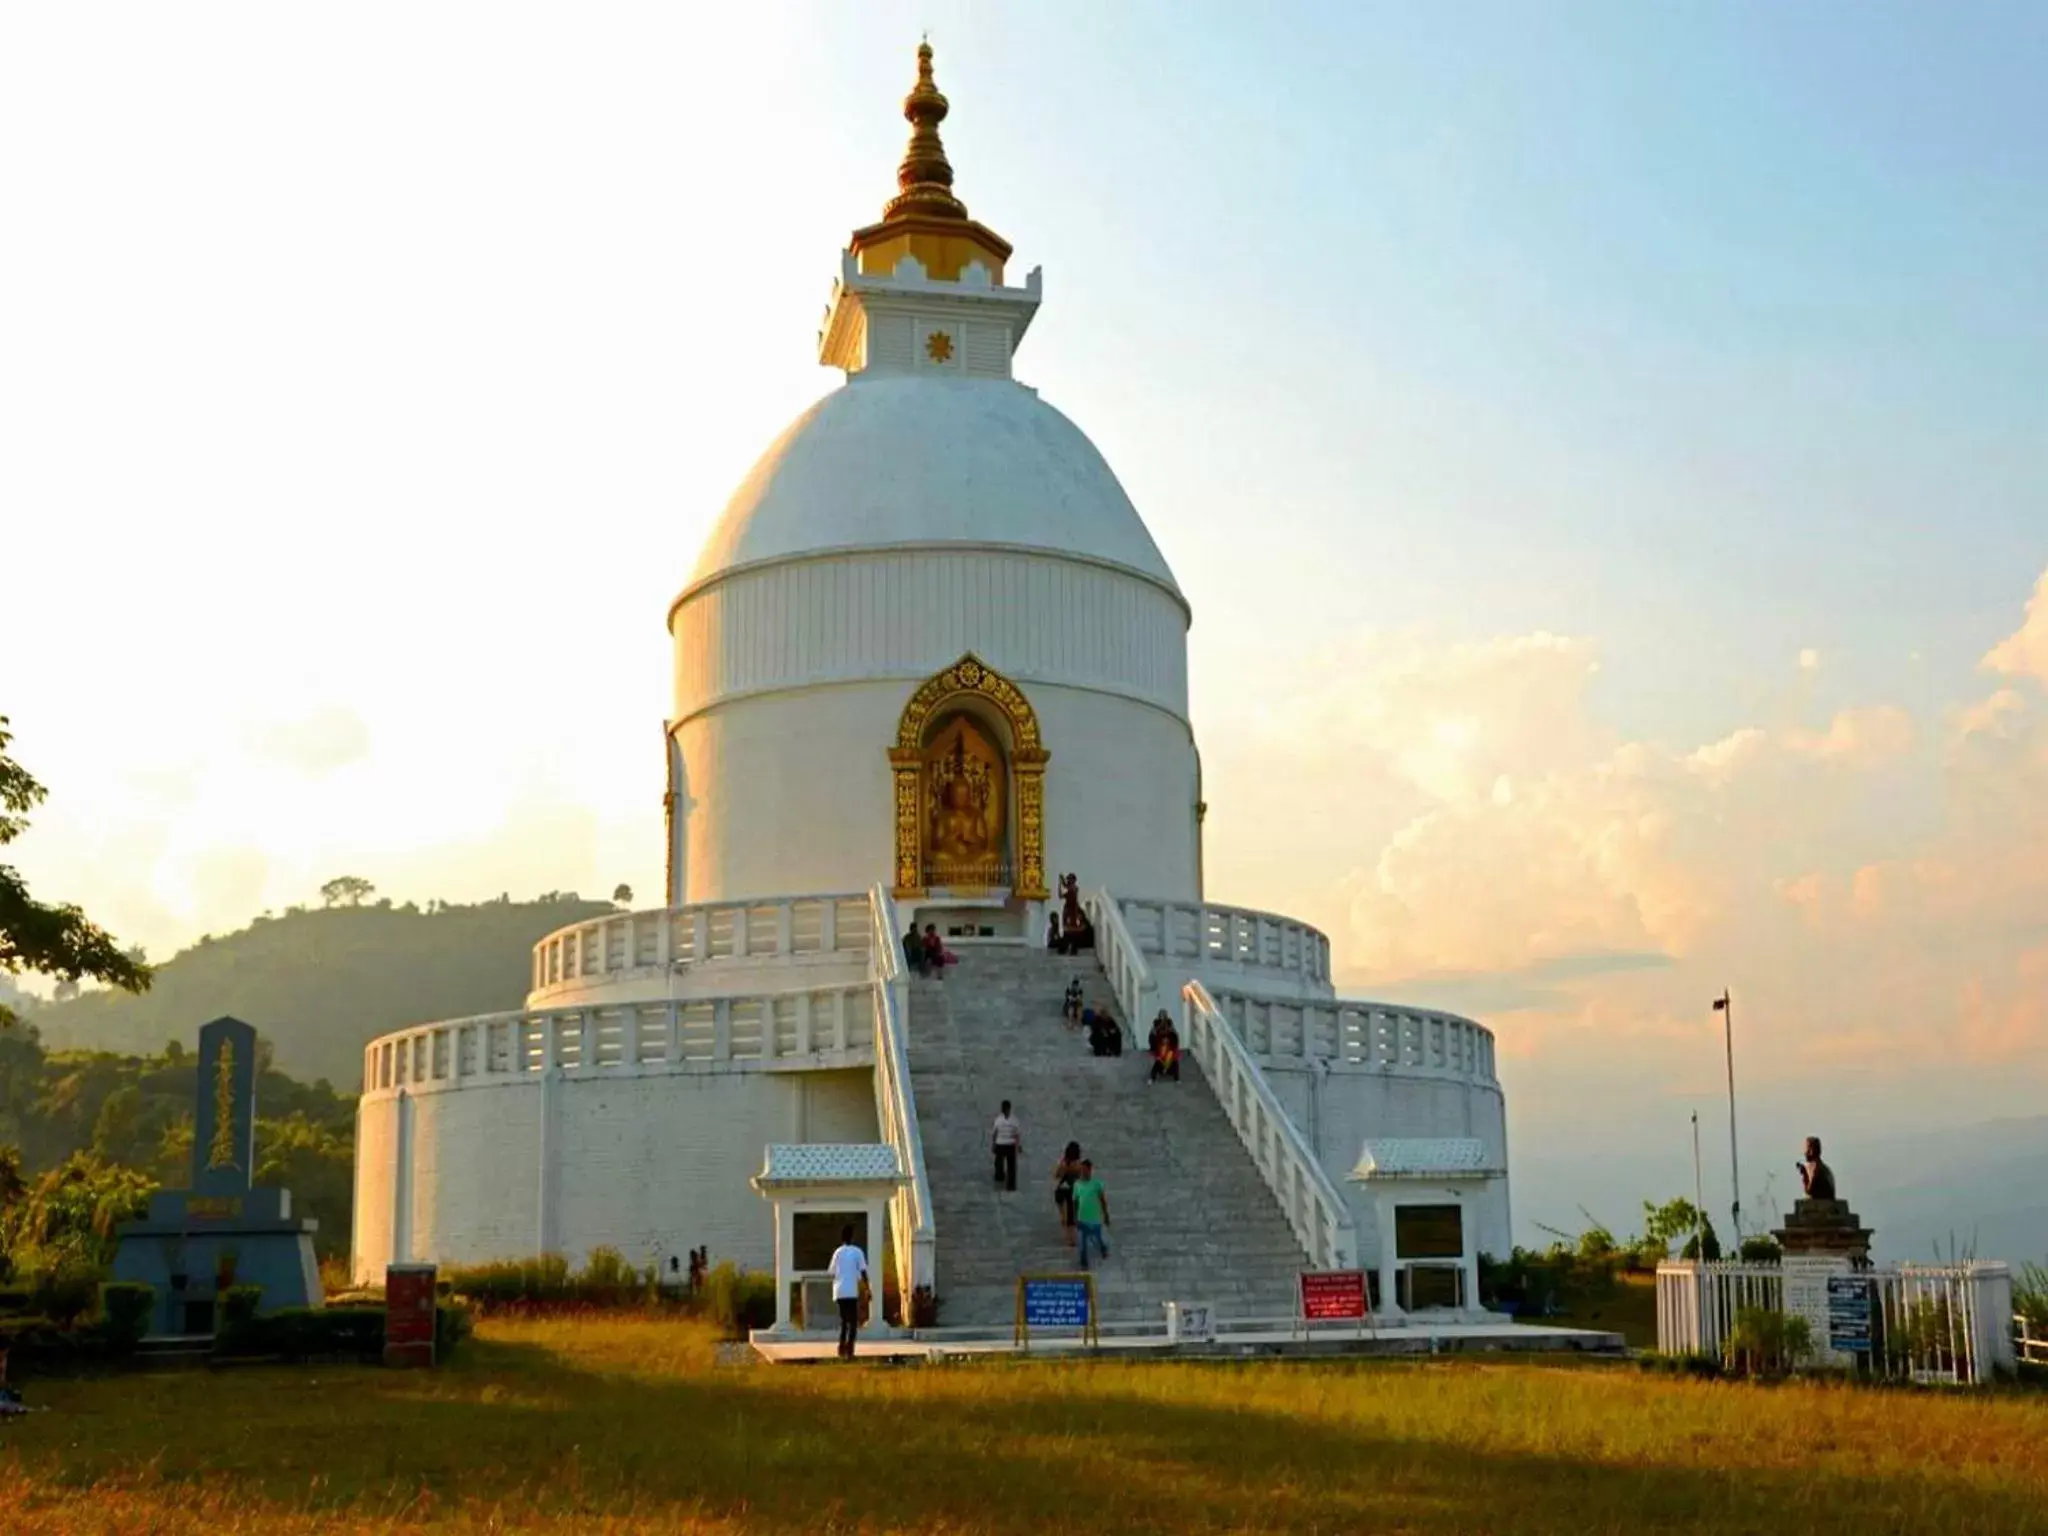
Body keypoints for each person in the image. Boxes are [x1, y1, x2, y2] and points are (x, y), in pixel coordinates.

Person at [828, 1224, 868, 1360]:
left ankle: (841, 1348)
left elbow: (832, 1272)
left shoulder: (837, 1252)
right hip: (851, 1291)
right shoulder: (857, 1252)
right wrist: (868, 1288)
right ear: (852, 1236)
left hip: (839, 1291)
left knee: (844, 1322)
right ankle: (849, 1351)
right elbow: (863, 1271)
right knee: (853, 1322)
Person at [1071, 1159, 1111, 1270]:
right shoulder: (1077, 1185)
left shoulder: (1097, 1184)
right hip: (1082, 1219)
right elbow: (1075, 1202)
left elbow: (1102, 1200)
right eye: (1082, 1170)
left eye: (1085, 1170)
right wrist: (1075, 1217)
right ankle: (1084, 1263)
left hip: (1094, 1218)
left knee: (1098, 1238)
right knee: (1082, 1244)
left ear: (1090, 1170)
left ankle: (1103, 1249)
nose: (1083, 1172)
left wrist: (1106, 1215)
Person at [1051, 1141, 1084, 1248]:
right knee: (1072, 1217)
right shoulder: (1080, 1164)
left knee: (1065, 1216)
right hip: (1074, 1192)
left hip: (1061, 1190)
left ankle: (1068, 1236)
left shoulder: (1063, 1162)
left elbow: (1056, 1175)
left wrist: (1064, 1168)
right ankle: (1072, 1238)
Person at [991, 1099, 1021, 1192]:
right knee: (1001, 1164)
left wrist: (1018, 1145)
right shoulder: (1001, 1120)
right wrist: (994, 1143)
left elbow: (1016, 1134)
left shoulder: (1012, 1120)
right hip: (1002, 1144)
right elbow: (995, 1133)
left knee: (1009, 1165)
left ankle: (1008, 1184)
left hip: (1007, 1144)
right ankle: (1003, 1181)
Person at [1798, 1136, 1837, 1201]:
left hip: (1822, 1205)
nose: (1804, 1152)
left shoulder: (1816, 1168)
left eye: (1806, 1148)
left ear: (1811, 1150)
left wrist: (1804, 1174)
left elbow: (1809, 1191)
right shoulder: (1822, 1167)